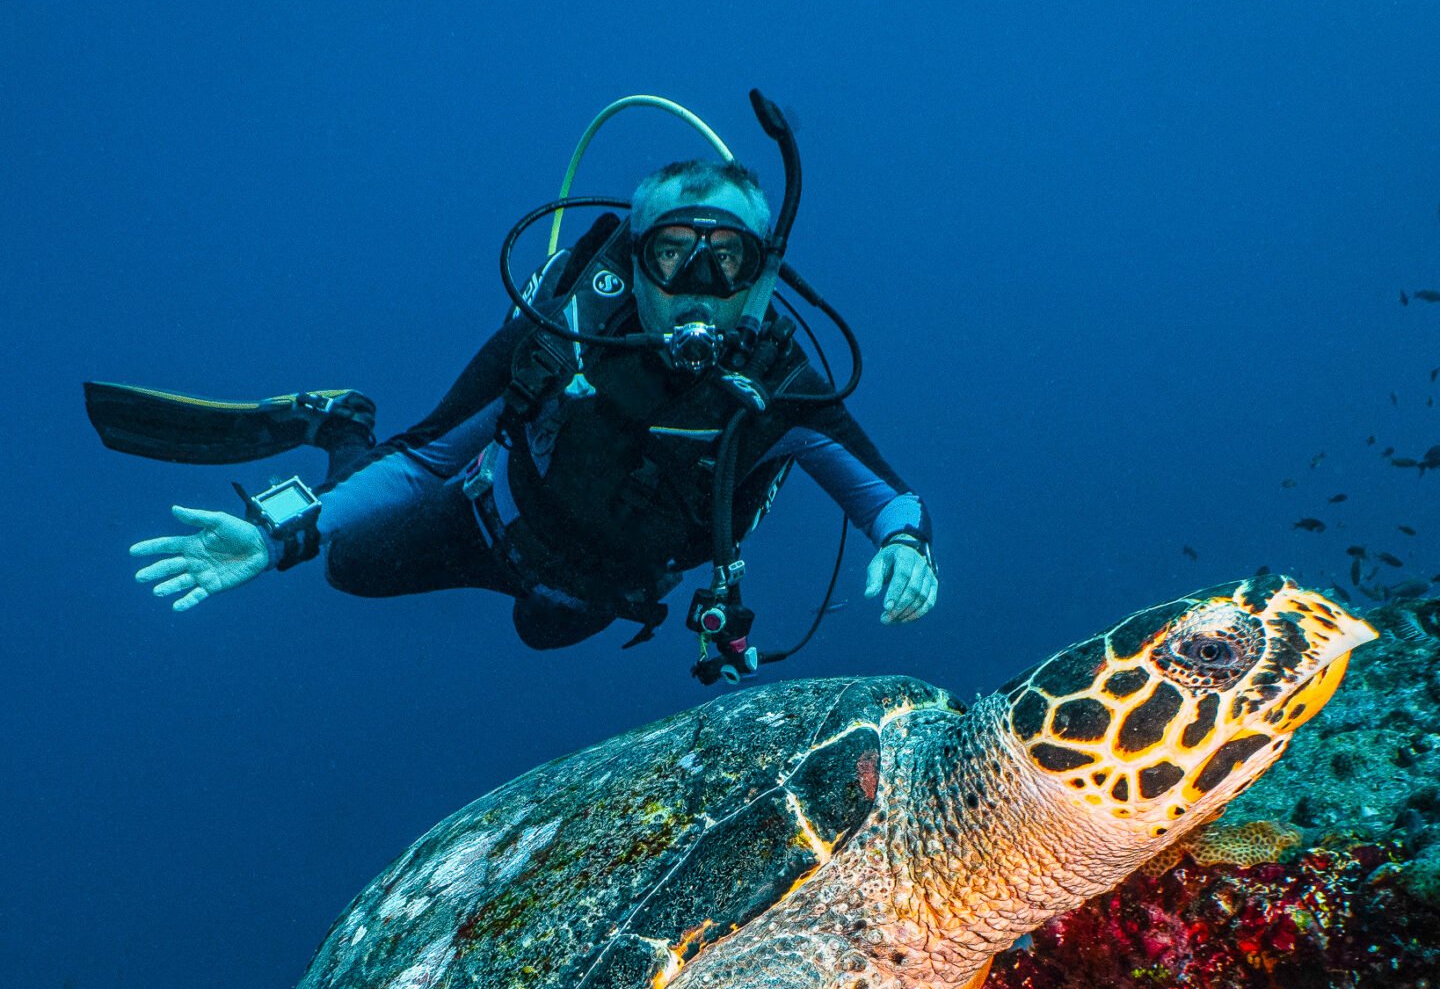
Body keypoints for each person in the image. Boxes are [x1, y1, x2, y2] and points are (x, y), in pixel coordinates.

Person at [123, 160, 938, 660]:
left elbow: (890, 500)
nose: (697, 282)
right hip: (484, 519)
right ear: (637, 260)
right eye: (672, 252)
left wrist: (908, 549)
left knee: (543, 633)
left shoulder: (780, 389)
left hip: (607, 586)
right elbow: (426, 456)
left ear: (763, 277)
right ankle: (341, 425)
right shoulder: (555, 339)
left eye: (727, 258)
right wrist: (275, 540)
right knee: (347, 568)